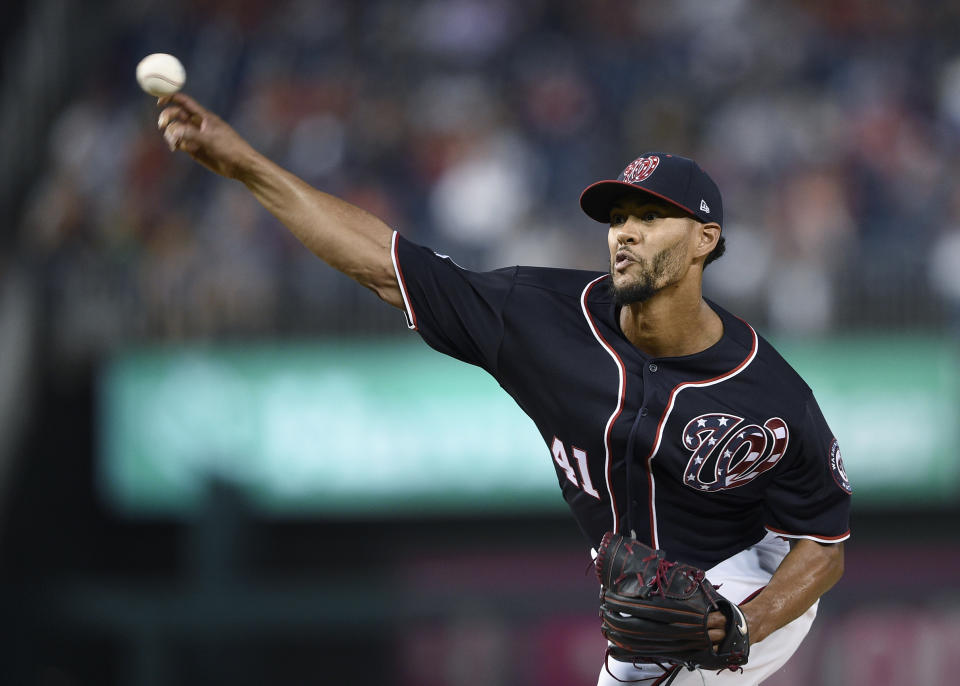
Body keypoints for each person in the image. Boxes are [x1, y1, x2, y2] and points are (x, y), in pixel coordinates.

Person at [157, 94, 851, 685]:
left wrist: (739, 626)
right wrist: (242, 163)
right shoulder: (540, 315)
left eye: (649, 217)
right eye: (617, 219)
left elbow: (821, 547)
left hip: (753, 582)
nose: (625, 235)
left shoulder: (769, 393)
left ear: (705, 239)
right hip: (657, 610)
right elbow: (385, 265)